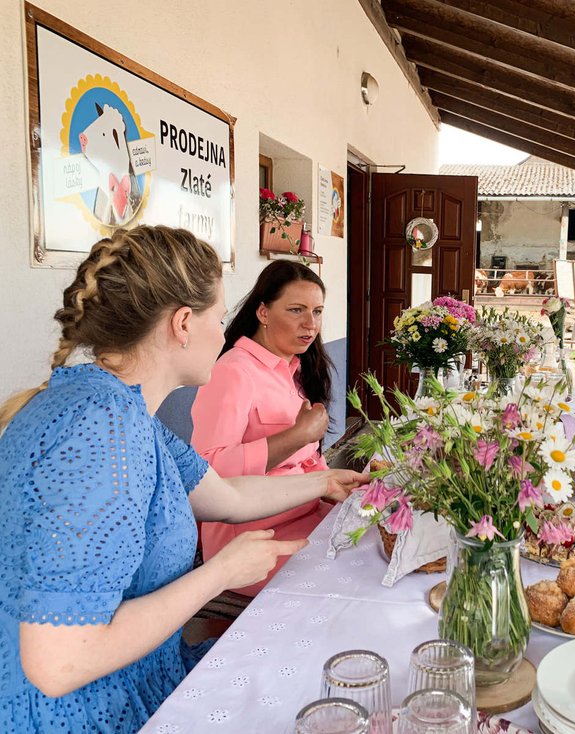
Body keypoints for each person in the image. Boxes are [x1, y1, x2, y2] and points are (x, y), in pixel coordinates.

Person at [0, 226, 367, 732]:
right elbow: (59, 663)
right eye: (218, 317)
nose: (224, 334)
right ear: (182, 324)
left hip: (143, 677)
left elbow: (226, 495)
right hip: (90, 714)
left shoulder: (125, 414)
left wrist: (323, 484)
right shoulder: (98, 431)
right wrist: (219, 573)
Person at [190, 260, 336, 596]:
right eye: (296, 310)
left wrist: (337, 487)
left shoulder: (294, 368)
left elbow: (307, 461)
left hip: (303, 513)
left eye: (317, 312)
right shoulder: (234, 371)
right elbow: (206, 472)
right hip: (251, 539)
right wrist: (297, 436)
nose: (310, 324)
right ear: (263, 313)